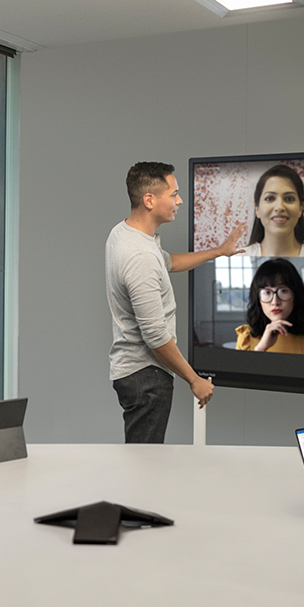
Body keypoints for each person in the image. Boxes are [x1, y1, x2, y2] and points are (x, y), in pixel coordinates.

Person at [108, 162, 241, 444]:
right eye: (174, 193)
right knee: (144, 467)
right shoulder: (139, 256)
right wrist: (194, 379)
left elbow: (167, 262)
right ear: (149, 200)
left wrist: (219, 252)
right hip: (146, 377)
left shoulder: (125, 233)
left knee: (142, 462)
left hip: (136, 373)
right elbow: (155, 336)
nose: (179, 200)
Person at [233, 258, 304, 355]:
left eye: (283, 291)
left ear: (295, 295)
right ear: (258, 298)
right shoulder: (246, 338)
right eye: (267, 292)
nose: (275, 302)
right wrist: (260, 348)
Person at [242, 164, 304, 258]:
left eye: (289, 199)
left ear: (301, 208)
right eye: (270, 198)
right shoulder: (238, 257)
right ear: (257, 209)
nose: (279, 207)